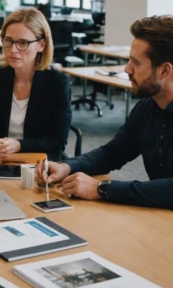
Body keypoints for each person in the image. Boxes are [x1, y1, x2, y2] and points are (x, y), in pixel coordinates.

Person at [36, 15, 173, 210]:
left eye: (137, 62)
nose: (127, 69)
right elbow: (112, 153)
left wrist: (102, 188)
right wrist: (67, 166)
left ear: (164, 71)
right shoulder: (147, 109)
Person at [0, 8, 71, 161]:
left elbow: (56, 143)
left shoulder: (57, 82)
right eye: (8, 41)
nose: (13, 50)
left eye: (23, 43)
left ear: (41, 45)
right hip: (2, 162)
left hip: (40, 166)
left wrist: (19, 145)